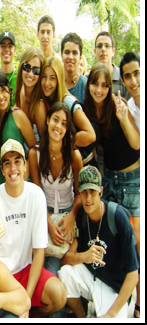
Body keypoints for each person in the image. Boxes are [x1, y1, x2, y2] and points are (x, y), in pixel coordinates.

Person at [0, 139, 67, 316]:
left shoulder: (36, 195)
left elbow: (39, 252)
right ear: (2, 170)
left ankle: (28, 313)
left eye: (17, 161)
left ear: (25, 165)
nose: (13, 168)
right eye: (7, 163)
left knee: (58, 295)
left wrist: (25, 301)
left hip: (24, 270)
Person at [83, 63, 140, 317]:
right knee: (110, 233)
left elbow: (136, 143)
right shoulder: (87, 112)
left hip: (131, 177)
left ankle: (138, 303)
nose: (100, 89)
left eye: (105, 85)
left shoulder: (117, 107)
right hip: (109, 178)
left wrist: (123, 117)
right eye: (95, 84)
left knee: (136, 241)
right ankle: (113, 291)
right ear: (89, 85)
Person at [58, 166, 139, 318]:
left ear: (101, 191)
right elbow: (65, 259)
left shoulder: (117, 217)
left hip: (115, 287)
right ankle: (82, 317)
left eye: (92, 192)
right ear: (79, 193)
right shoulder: (82, 215)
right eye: (84, 192)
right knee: (65, 273)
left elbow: (133, 274)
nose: (88, 198)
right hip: (92, 277)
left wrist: (110, 314)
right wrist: (84, 256)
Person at [28, 102, 83, 275]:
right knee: (37, 267)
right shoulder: (34, 154)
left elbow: (80, 193)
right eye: (55, 120)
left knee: (54, 270)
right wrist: (48, 224)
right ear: (47, 120)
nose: (58, 126)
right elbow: (36, 192)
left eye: (64, 123)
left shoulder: (74, 156)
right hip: (44, 216)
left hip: (67, 219)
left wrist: (72, 216)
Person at [37, 56, 96, 164]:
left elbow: (90, 135)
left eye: (52, 78)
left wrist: (64, 140)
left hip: (83, 163)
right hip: (64, 166)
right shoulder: (44, 103)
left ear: (59, 79)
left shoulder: (68, 102)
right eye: (44, 77)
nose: (47, 83)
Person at [0, 69, 36, 185]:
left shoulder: (17, 115)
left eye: (3, 90)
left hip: (21, 179)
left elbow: (33, 149)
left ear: (9, 89)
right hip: (2, 180)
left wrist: (26, 175)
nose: (0, 97)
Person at [14, 46, 46, 139]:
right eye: (27, 67)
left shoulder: (39, 106)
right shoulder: (20, 92)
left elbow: (43, 142)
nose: (31, 74)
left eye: (36, 70)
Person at [93, 31, 130, 99]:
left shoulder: (123, 76)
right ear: (95, 51)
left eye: (107, 46)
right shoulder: (89, 79)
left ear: (113, 51)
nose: (103, 49)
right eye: (99, 46)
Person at [61, 33, 88, 103]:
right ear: (61, 55)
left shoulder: (86, 85)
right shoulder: (55, 82)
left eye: (74, 53)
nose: (70, 57)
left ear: (80, 57)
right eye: (67, 52)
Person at [120, 52, 140, 132]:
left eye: (136, 74)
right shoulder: (128, 111)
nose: (133, 82)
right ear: (123, 82)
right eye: (128, 77)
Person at [0, 31, 17, 104]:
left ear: (15, 50)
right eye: (3, 46)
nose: (6, 49)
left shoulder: (20, 76)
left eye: (10, 46)